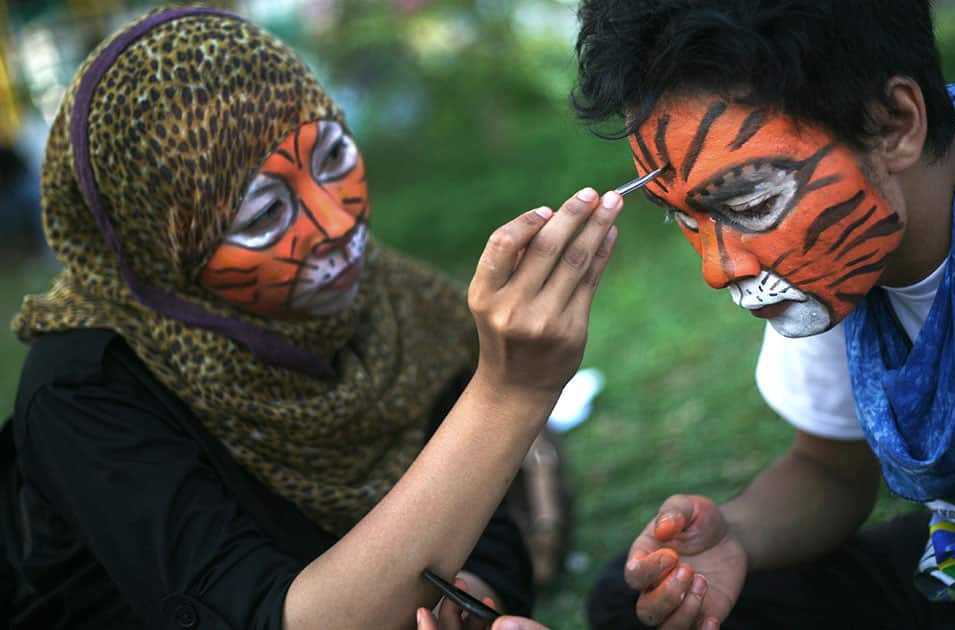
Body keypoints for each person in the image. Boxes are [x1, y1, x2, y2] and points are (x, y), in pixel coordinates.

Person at [0, 6, 625, 629]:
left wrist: (472, 596)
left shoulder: (393, 304)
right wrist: (508, 391)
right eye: (264, 215)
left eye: (332, 157)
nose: (336, 224)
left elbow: (488, 524)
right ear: (164, 255)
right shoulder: (86, 390)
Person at [571, 1, 955, 628]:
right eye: (689, 219)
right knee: (635, 602)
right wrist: (735, 537)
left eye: (751, 201)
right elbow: (828, 468)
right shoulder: (847, 255)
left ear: (894, 125)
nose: (718, 270)